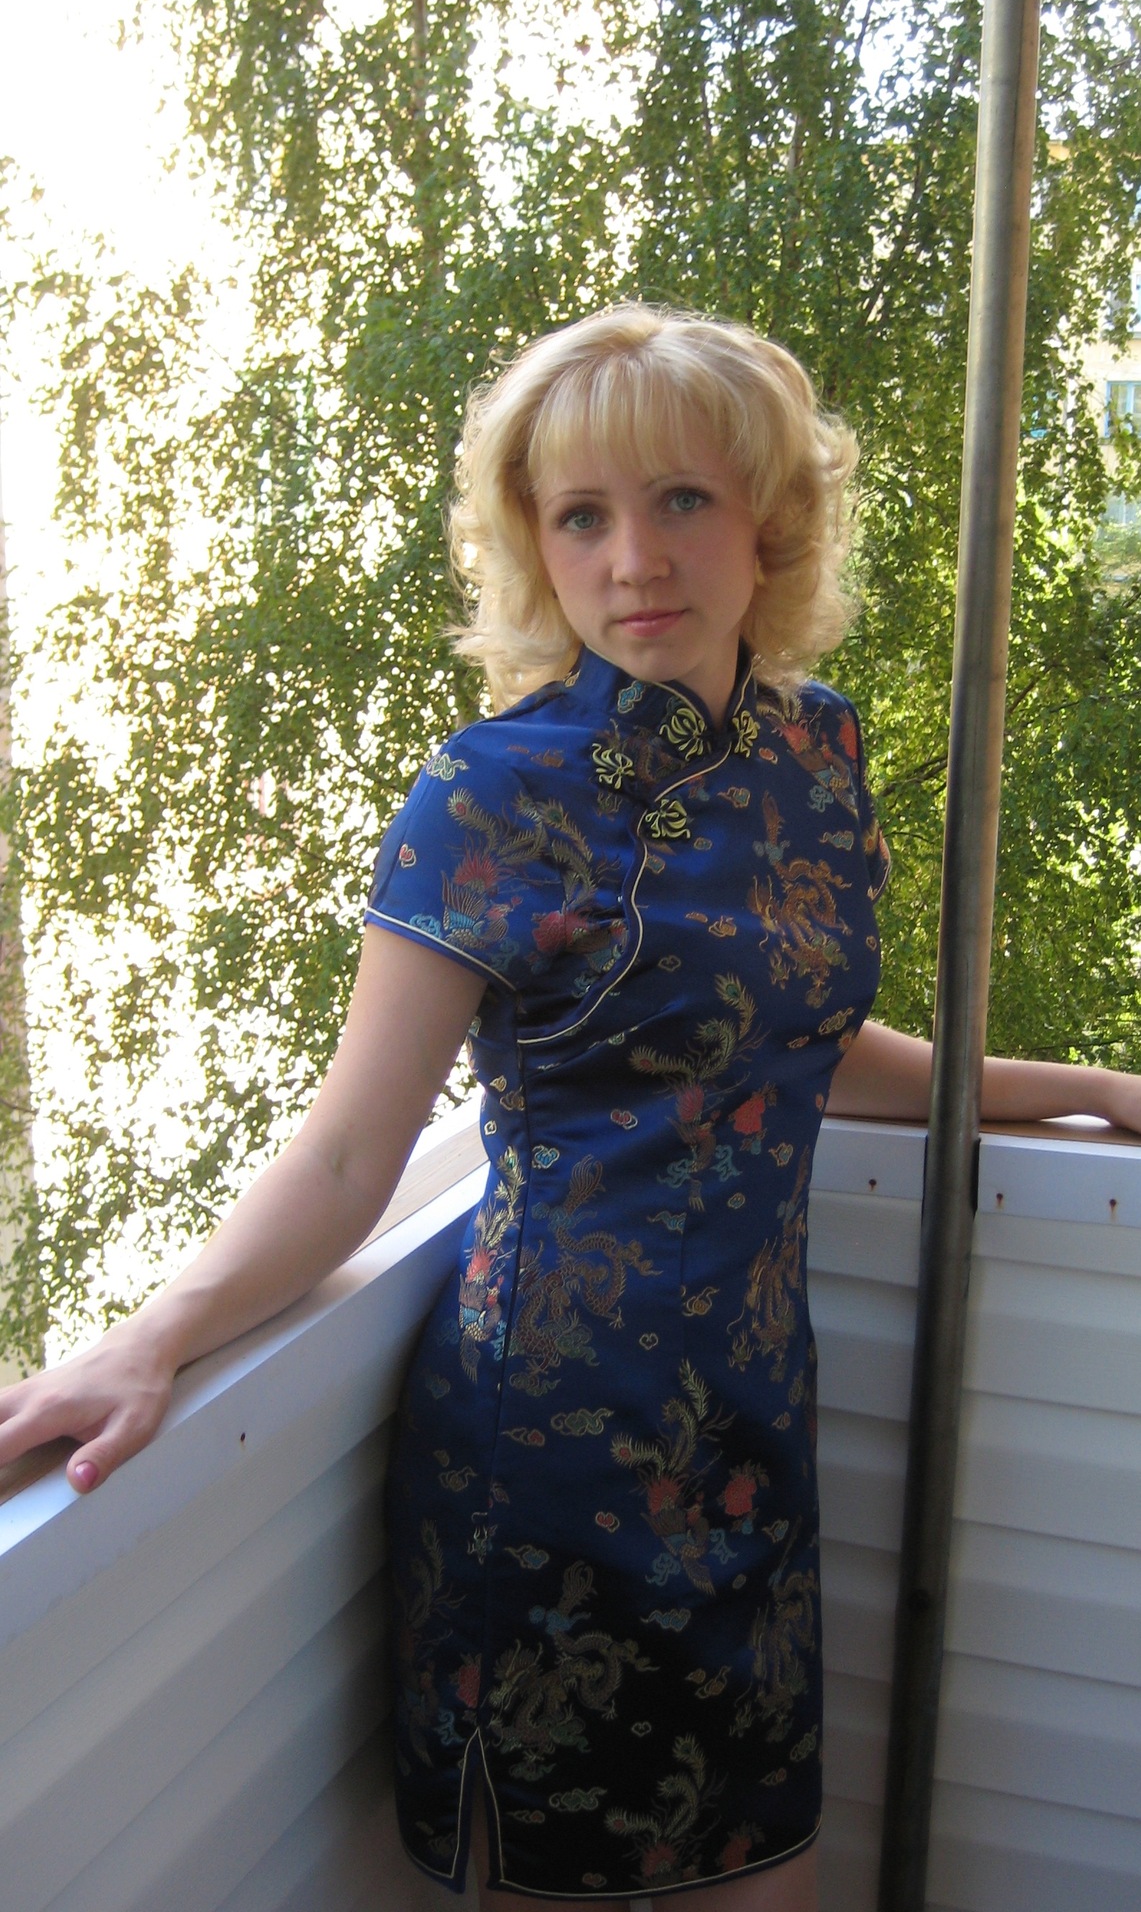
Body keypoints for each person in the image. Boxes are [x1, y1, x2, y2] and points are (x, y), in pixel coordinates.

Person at [2, 305, 1138, 1912]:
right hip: (545, 1460)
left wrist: (1085, 1090)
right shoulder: (490, 794)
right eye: (580, 516)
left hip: (748, 1439)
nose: (633, 561)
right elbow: (354, 1145)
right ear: (534, 544)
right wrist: (152, 1336)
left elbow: (799, 1036)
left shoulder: (812, 752)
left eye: (680, 500)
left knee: (770, 1880)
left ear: (768, 520)